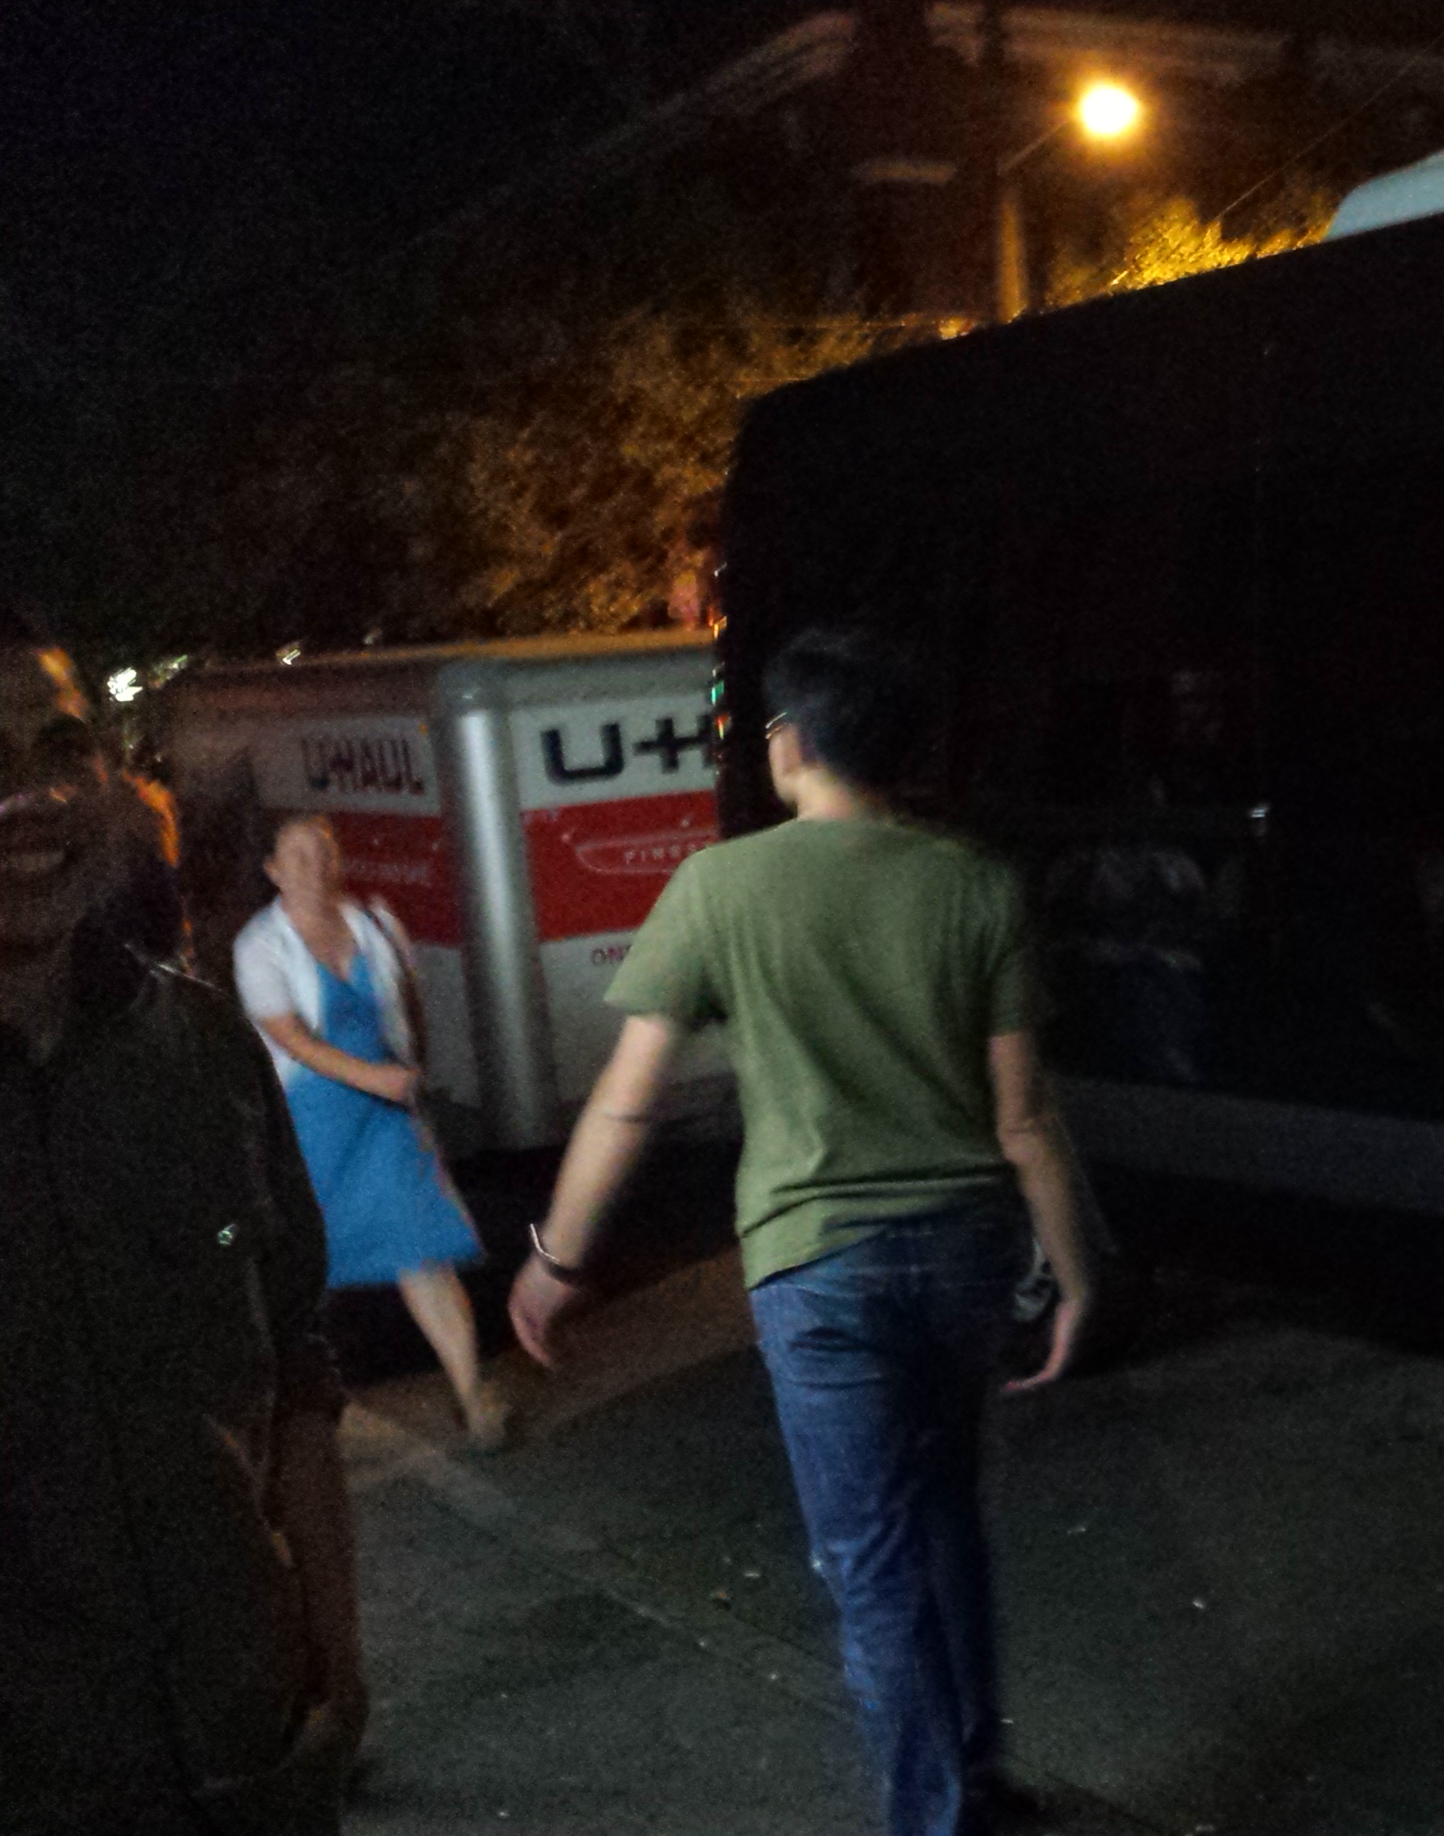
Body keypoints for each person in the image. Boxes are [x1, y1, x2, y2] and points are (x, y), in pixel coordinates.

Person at [508, 623, 1099, 1836]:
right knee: (947, 1510)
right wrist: (1079, 1272)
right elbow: (1026, 1117)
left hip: (816, 1264)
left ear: (790, 744)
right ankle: (977, 1775)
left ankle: (936, 1818)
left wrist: (558, 1258)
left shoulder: (719, 888)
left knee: (873, 1562)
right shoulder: (975, 885)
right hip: (966, 1247)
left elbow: (627, 1100)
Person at [0, 614, 365, 1833]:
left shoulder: (204, 1050)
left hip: (253, 1746)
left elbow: (297, 1369)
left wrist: (337, 1665)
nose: (32, 798)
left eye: (60, 749)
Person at [235, 813, 508, 1451]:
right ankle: (283, 1408)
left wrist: (408, 1074)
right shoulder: (259, 944)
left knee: (422, 1249)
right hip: (309, 1120)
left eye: (323, 852)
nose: (313, 867)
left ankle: (473, 1396)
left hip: (385, 1118)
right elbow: (290, 1038)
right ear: (273, 871)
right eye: (297, 856)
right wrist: (374, 1079)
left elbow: (407, 1006)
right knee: (300, 1264)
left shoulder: (377, 925)